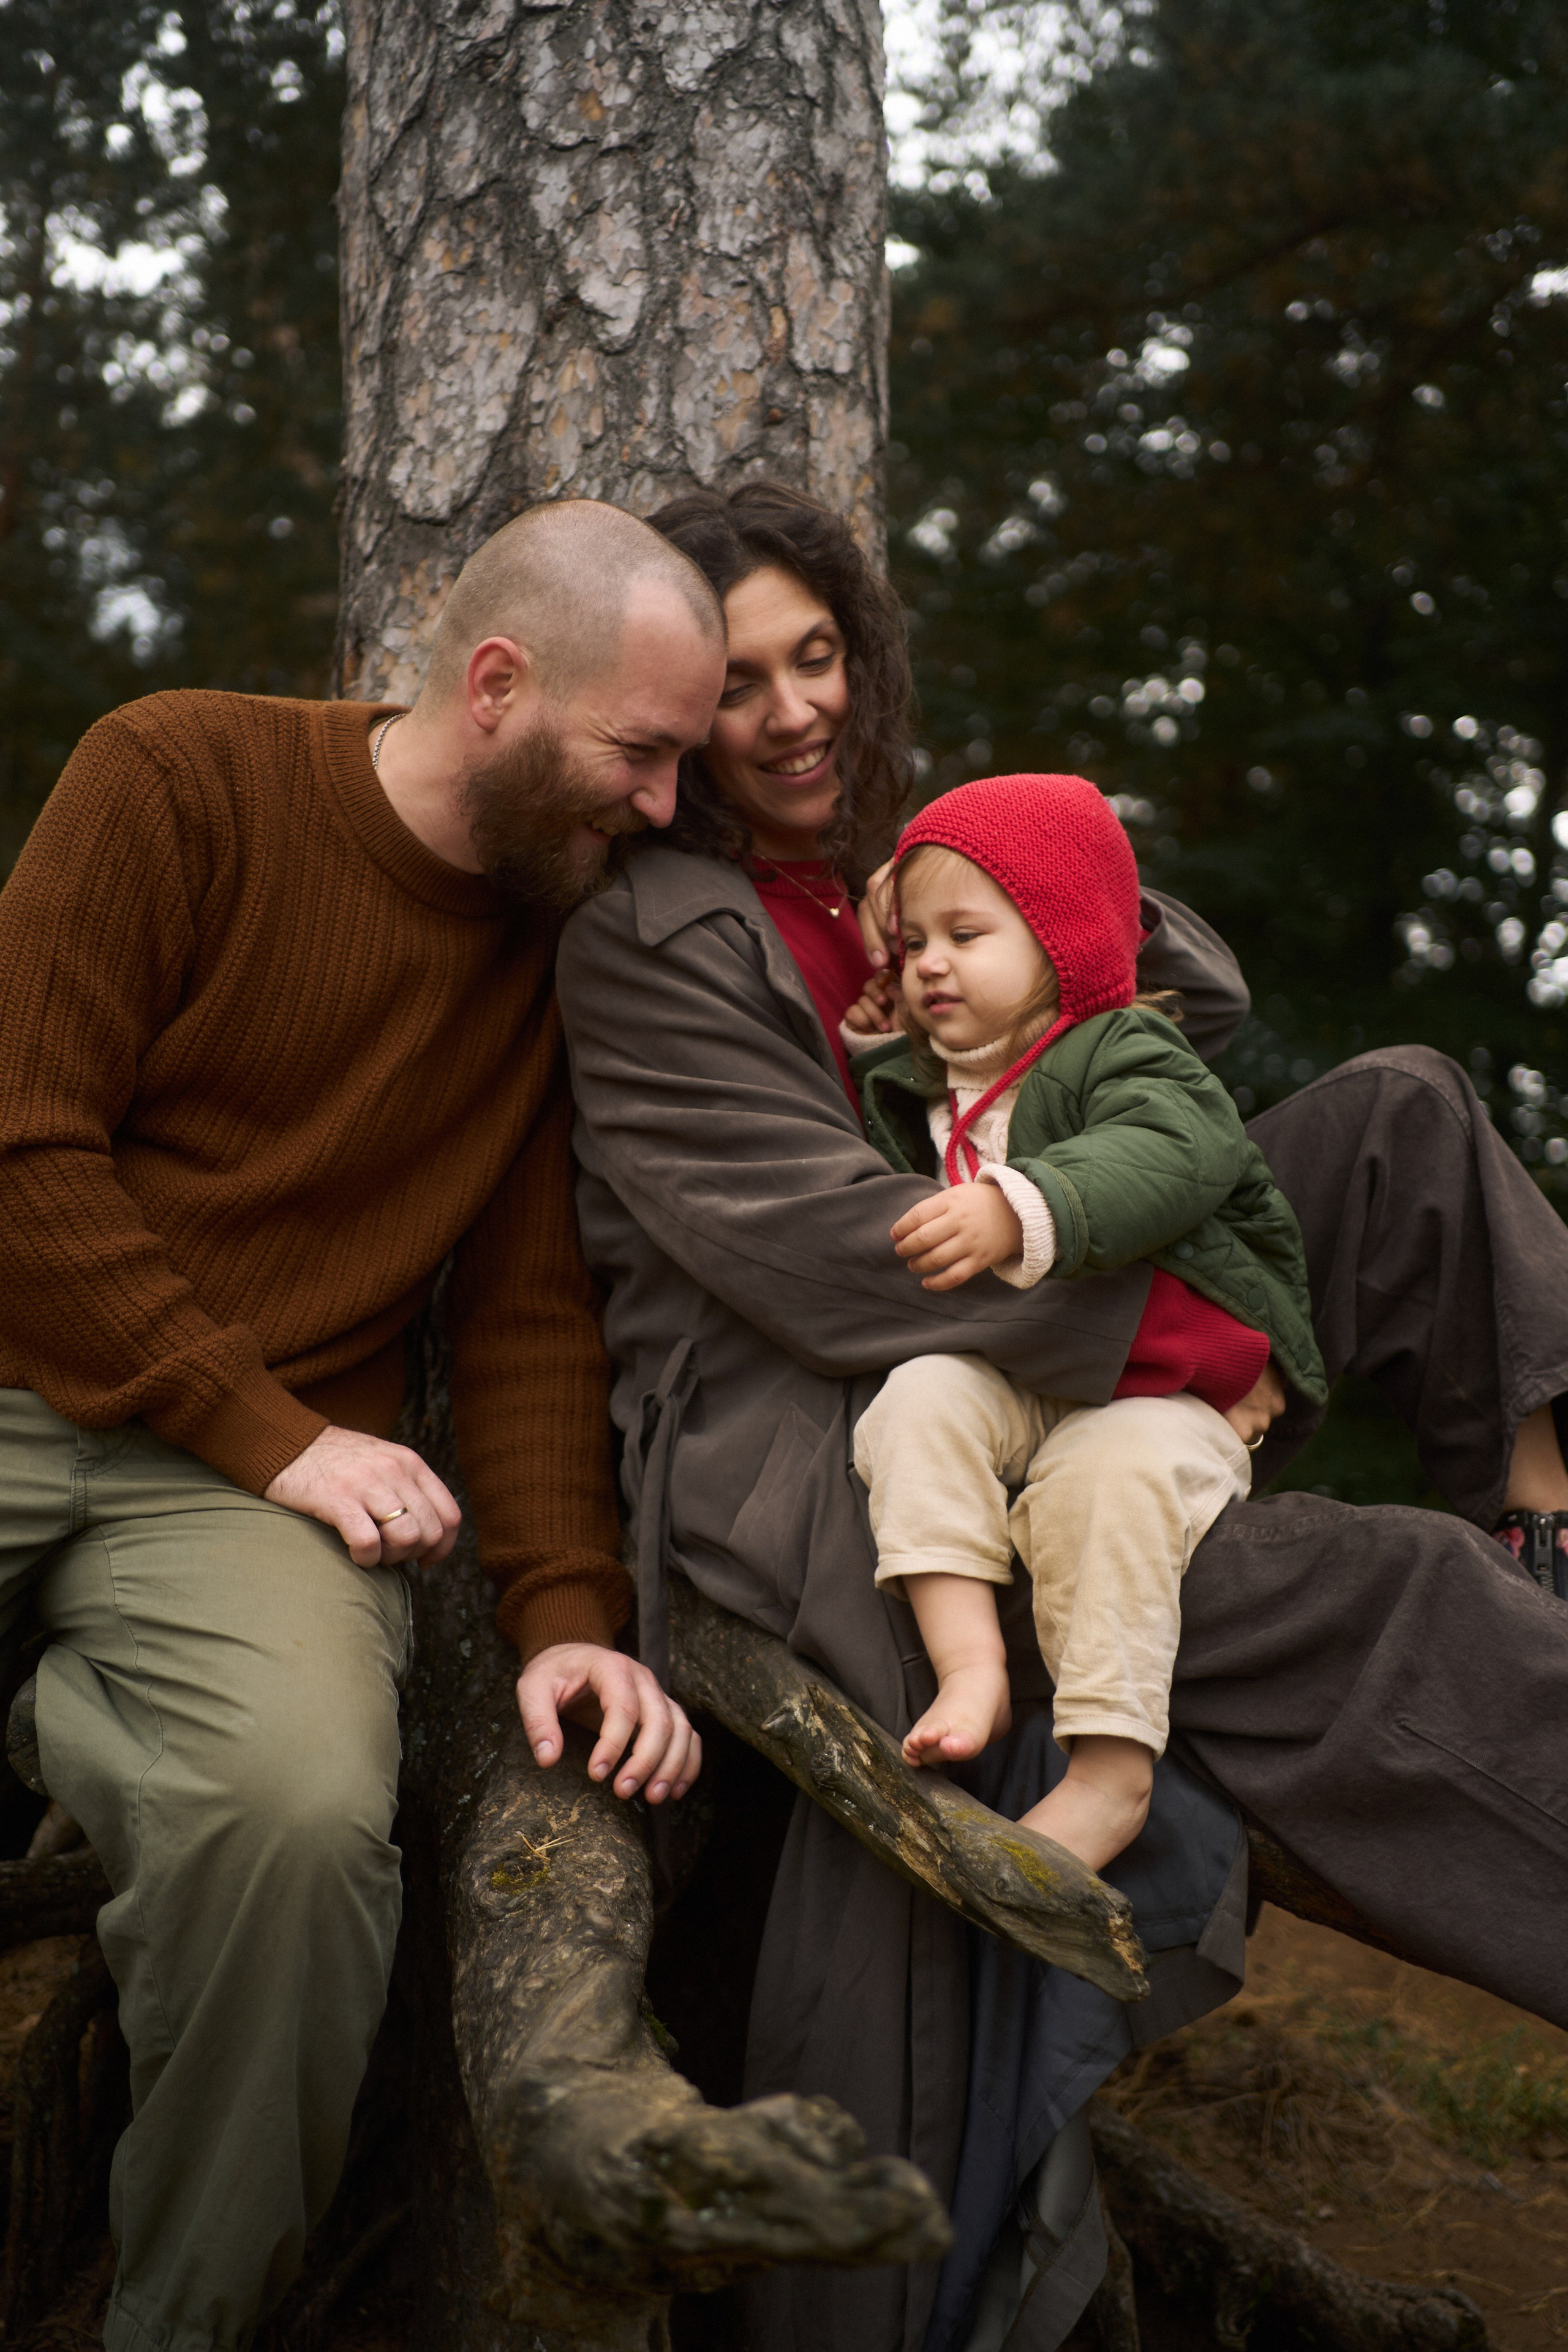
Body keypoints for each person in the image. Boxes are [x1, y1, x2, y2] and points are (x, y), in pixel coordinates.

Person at [556, 476, 1568, 2352]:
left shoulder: (905, 889)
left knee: (1406, 1115)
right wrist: (1199, 1338)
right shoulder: (661, 947)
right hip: (868, 1436)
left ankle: (1549, 1528)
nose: (794, 714)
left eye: (821, 658)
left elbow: (1176, 1006)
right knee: (1384, 1598)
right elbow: (850, 1265)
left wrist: (1000, 892)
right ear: (676, 721)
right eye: (743, 683)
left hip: (1065, 1326)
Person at [0, 499, 714, 2352]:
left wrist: (570, 1622)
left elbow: (535, 1319)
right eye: (639, 756)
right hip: (52, 1380)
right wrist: (271, 1428)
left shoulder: (565, 955)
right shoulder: (176, 777)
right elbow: (20, 1148)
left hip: (231, 1501)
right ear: (498, 686)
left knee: (307, 1830)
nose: (659, 810)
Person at [846, 772, 1325, 1871]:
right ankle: (971, 1665)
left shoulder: (1123, 1048)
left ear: (1062, 939)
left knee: (1109, 1483)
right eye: (911, 942)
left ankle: (1111, 1774)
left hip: (1174, 1385)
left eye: (965, 933)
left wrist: (1025, 1207)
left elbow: (1174, 1154)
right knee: (914, 1401)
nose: (928, 962)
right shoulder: (927, 1084)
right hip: (1035, 1374)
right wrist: (861, 1031)